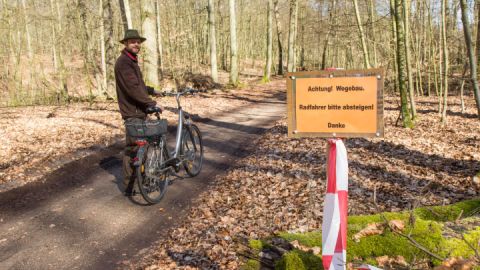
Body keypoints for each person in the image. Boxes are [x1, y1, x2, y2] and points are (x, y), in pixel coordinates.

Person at [114, 29, 162, 196]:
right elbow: (132, 88)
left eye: (138, 41)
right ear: (126, 43)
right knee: (134, 149)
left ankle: (139, 182)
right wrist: (150, 102)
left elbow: (138, 85)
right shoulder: (124, 63)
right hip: (132, 113)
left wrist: (151, 90)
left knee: (140, 147)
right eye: (133, 41)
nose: (136, 44)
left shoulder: (131, 61)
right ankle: (131, 187)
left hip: (138, 111)